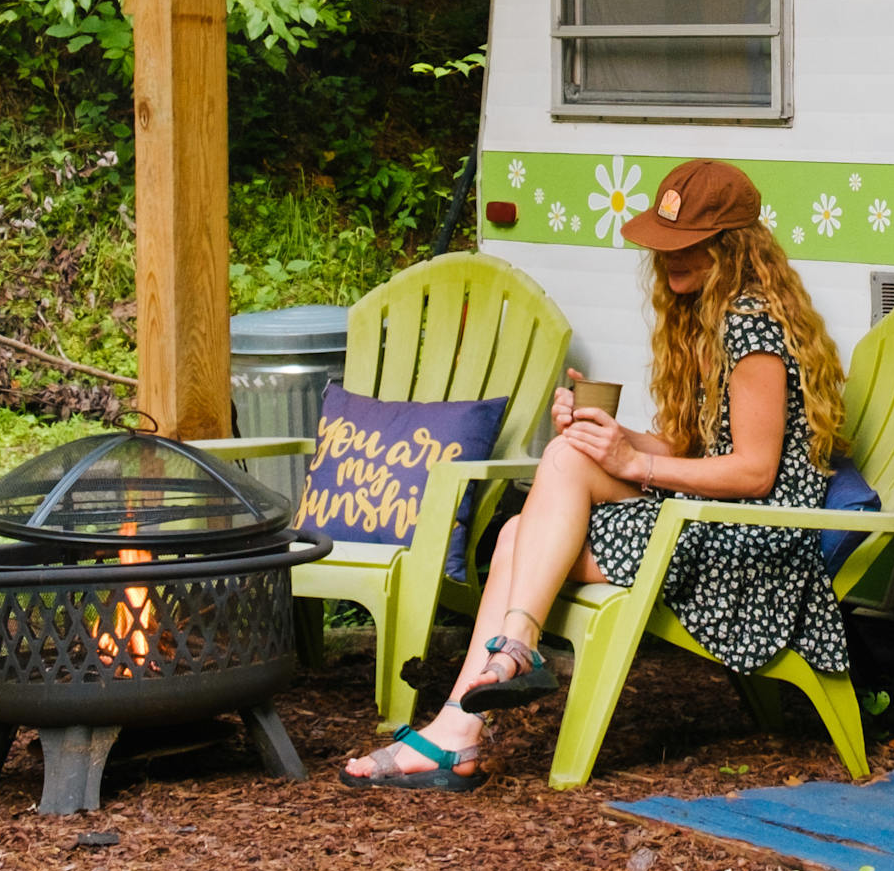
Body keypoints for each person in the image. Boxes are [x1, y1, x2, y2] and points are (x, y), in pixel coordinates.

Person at [342, 157, 850, 786]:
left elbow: (752, 473)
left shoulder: (753, 329)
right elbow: (690, 447)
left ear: (735, 246)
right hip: (712, 518)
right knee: (540, 495)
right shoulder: (705, 320)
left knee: (525, 525)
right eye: (664, 246)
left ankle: (476, 705)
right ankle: (466, 715)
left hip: (756, 543)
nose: (671, 259)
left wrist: (633, 463)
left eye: (689, 245)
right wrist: (609, 435)